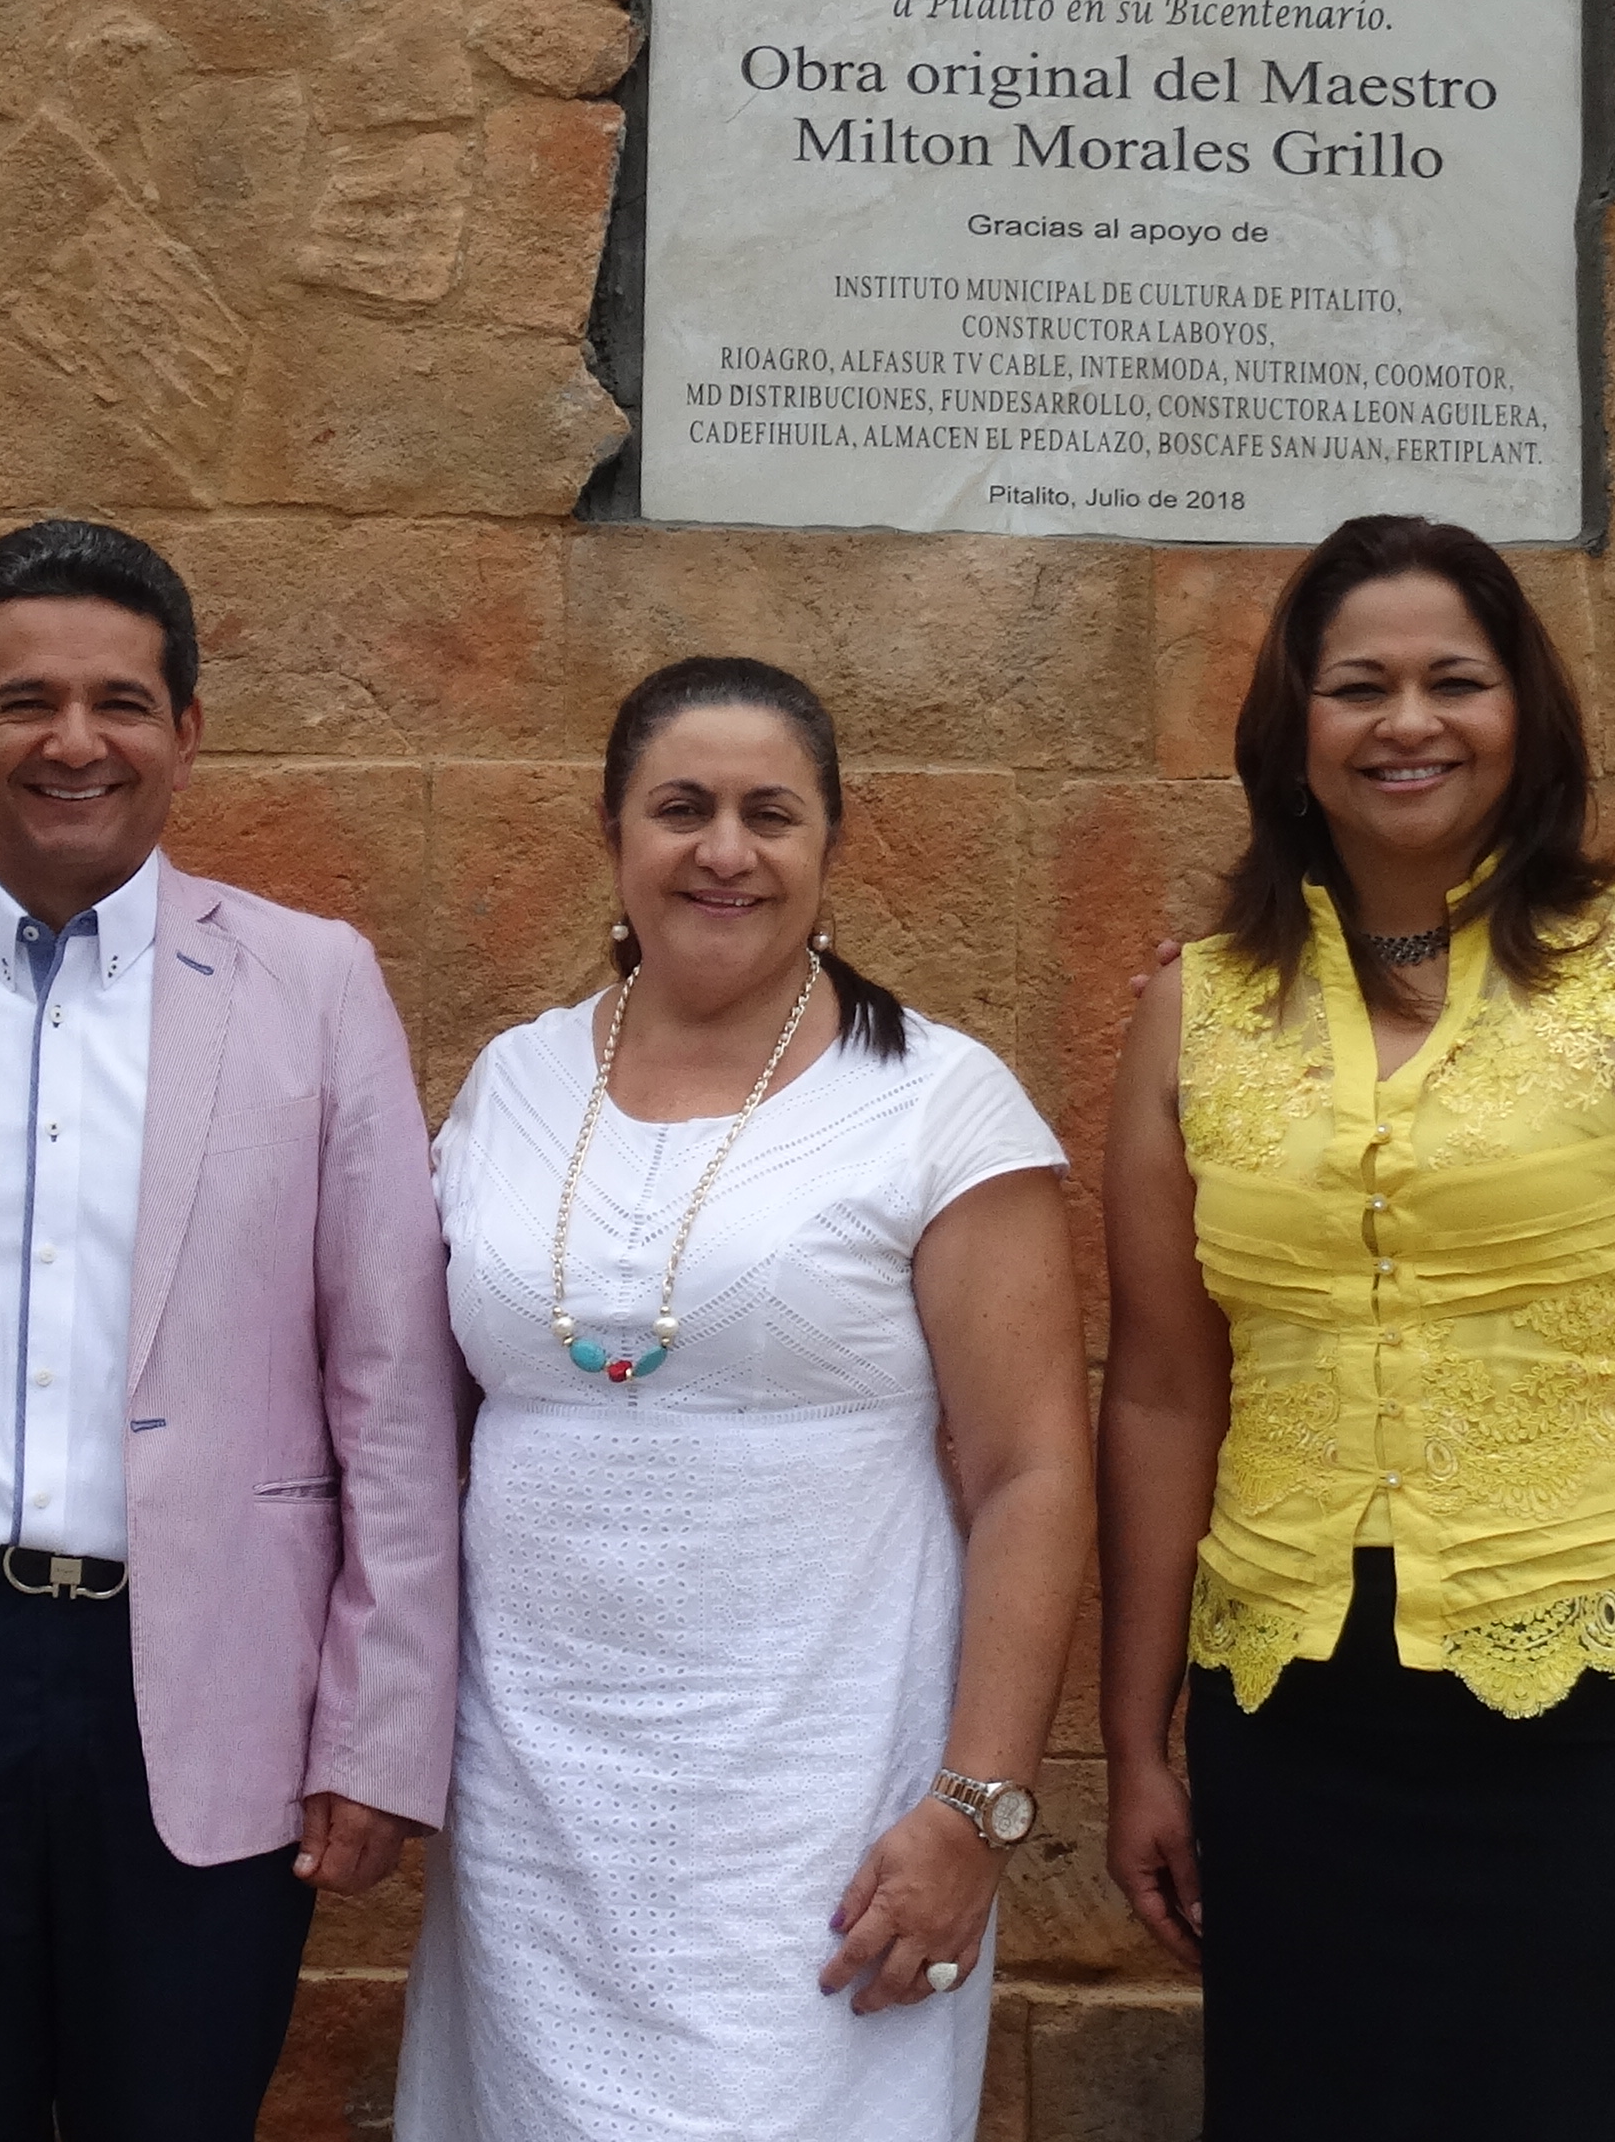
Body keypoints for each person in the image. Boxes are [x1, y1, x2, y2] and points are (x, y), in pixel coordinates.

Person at [1095, 514, 1615, 2139]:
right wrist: (1133, 1741)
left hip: (1604, 1712)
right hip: (1293, 1718)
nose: (1407, 721)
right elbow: (1157, 1393)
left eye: (1455, 681)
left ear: (1525, 713)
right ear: (1294, 728)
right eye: (1358, 685)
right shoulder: (1196, 1008)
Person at [0, 519, 463, 2141]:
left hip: (212, 1668)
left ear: (186, 731)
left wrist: (381, 1724)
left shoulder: (313, 983)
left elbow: (394, 1385)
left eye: (122, 702)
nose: (77, 742)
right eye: (27, 701)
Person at [395, 658, 1099, 2141]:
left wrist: (975, 1807)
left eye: (770, 814)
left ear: (831, 843)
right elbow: (420, 1423)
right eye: (682, 809)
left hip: (828, 1789)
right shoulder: (511, 1084)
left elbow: (1034, 1470)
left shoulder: (938, 1100)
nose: (726, 850)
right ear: (611, 834)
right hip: (535, 1791)